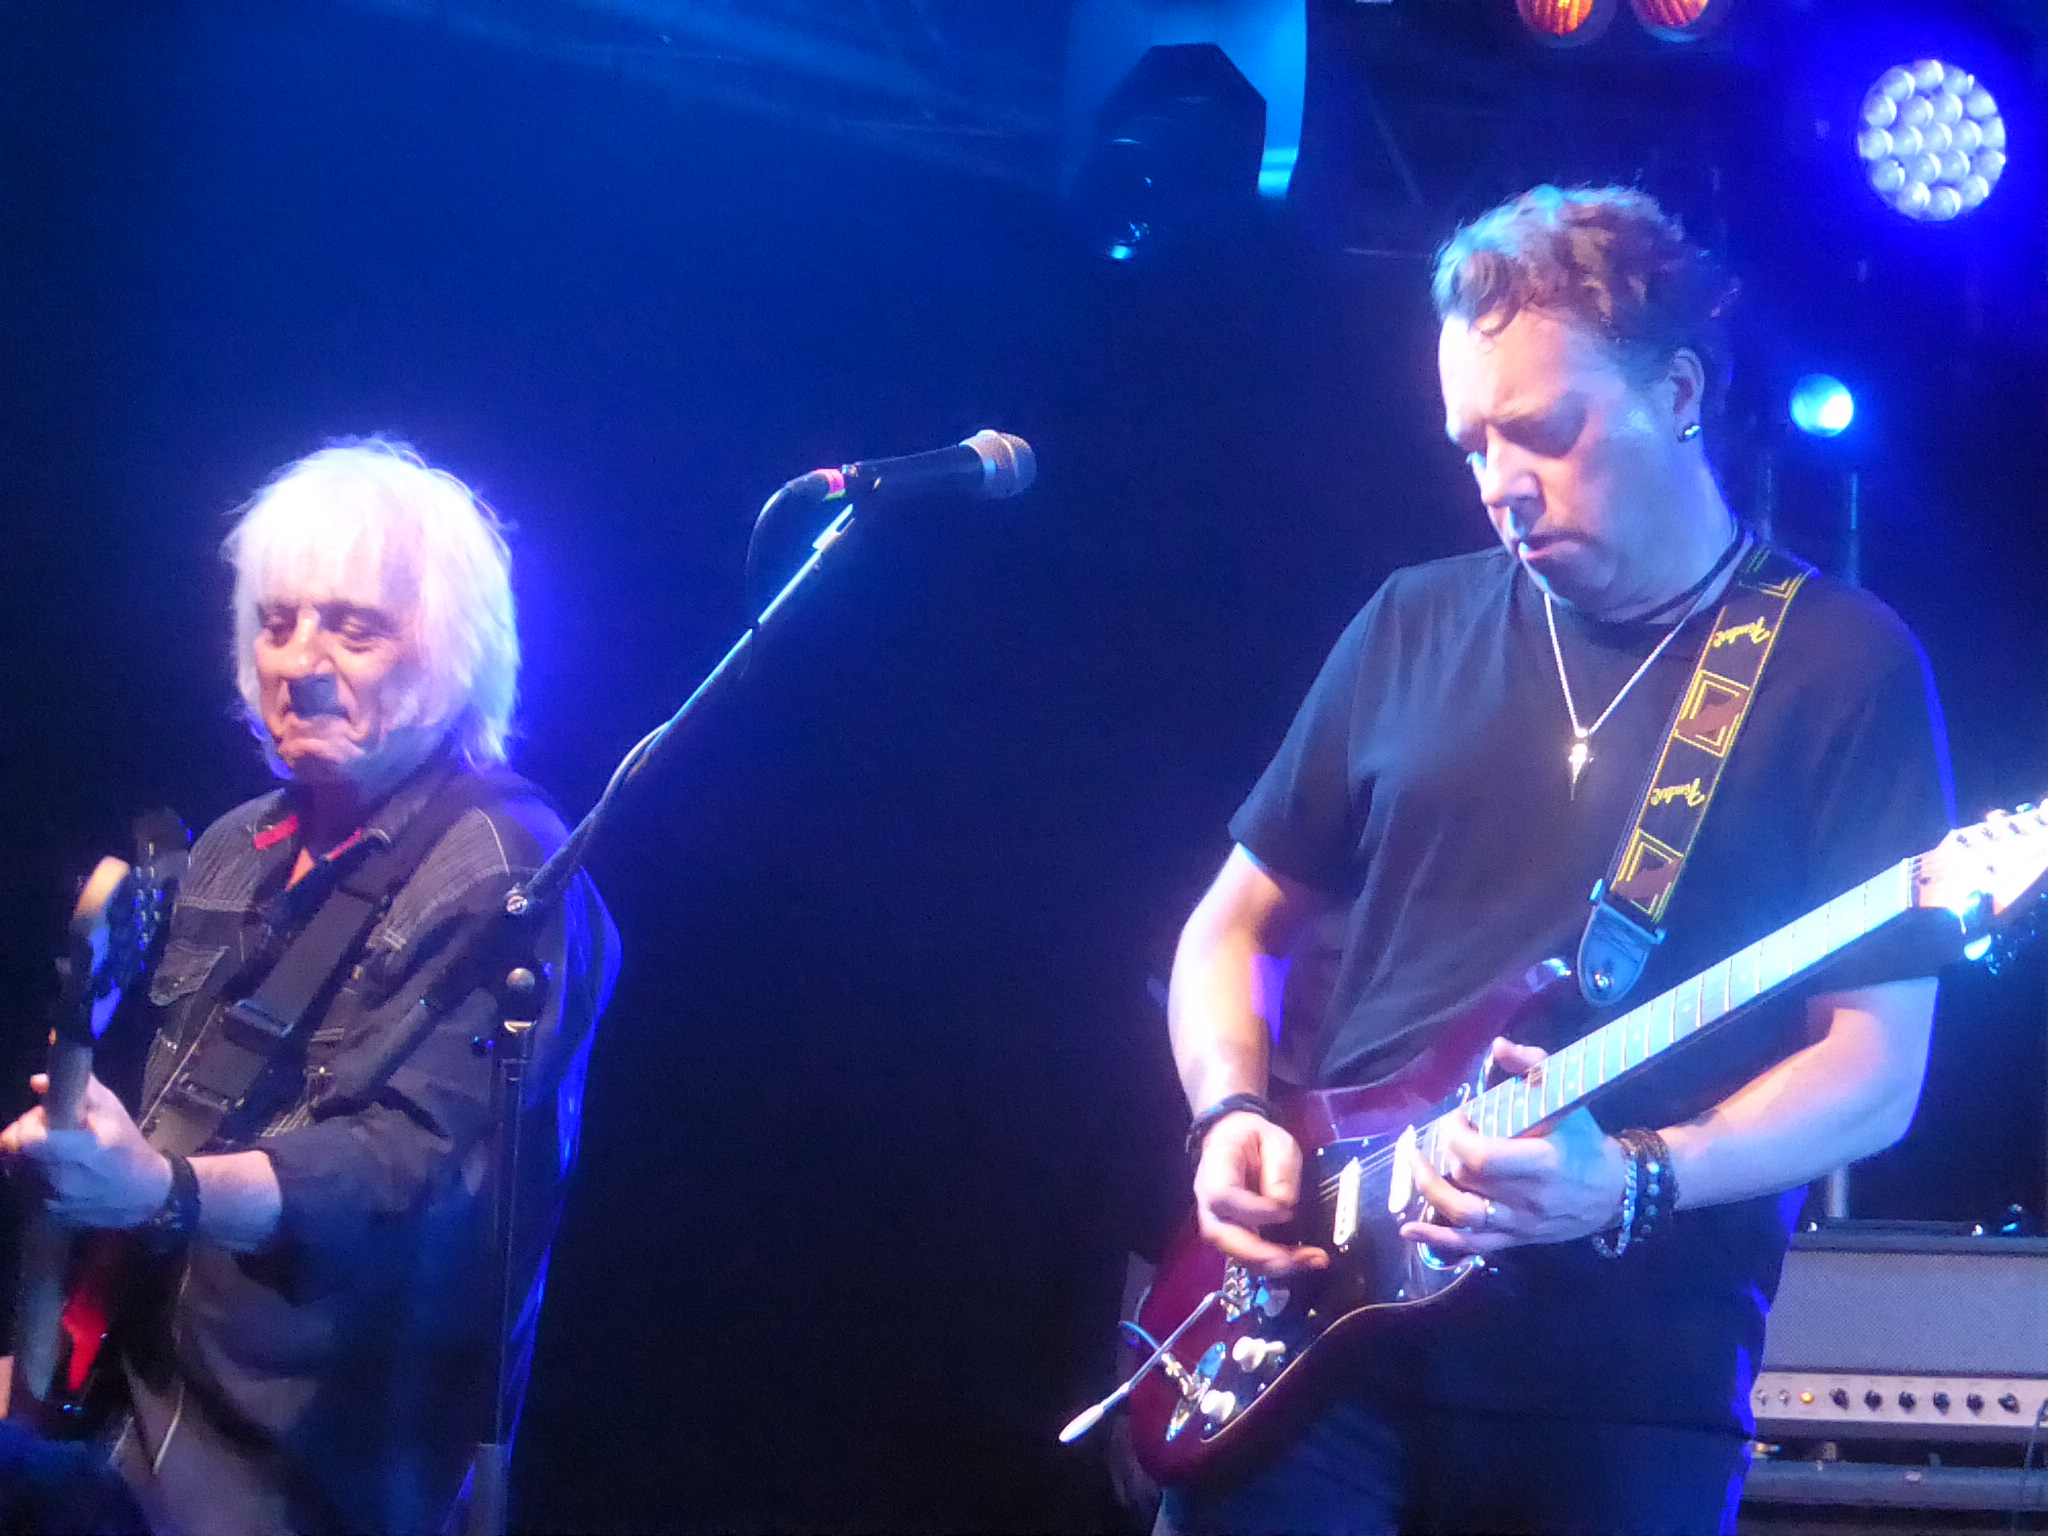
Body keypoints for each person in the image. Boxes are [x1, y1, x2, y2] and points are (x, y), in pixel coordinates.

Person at [1160, 186, 1951, 1535]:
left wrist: (1633, 1173)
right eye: (1473, 443)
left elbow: (1875, 1068)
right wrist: (1230, 1111)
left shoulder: (1839, 664)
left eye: (1543, 430)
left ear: (1679, 392)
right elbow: (1231, 928)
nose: (1500, 485)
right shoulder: (1411, 622)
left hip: (1621, 1384)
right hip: (1312, 1341)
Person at [0, 440, 619, 1534]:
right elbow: (169, 1127)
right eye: (277, 623)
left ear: (454, 648)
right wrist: (62, 1332)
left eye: (353, 628)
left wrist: (160, 1191)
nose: (300, 661)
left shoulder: (504, 871)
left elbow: (406, 1172)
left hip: (298, 1471)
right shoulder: (237, 845)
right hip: (128, 1411)